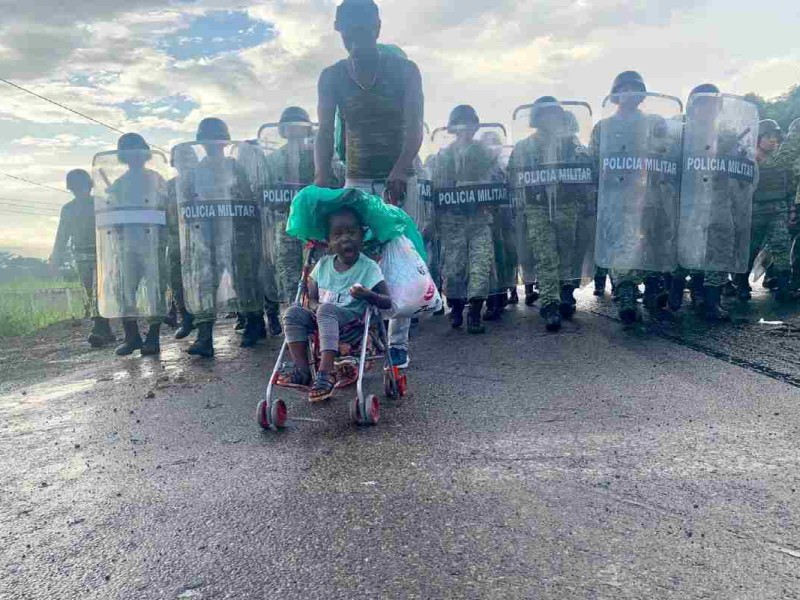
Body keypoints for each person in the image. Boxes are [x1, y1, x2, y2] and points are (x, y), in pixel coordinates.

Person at [314, 0, 423, 368]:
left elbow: (414, 127)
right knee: (354, 256)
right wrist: (321, 182)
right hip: (357, 178)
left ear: (377, 28)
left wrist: (400, 169)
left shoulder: (405, 71)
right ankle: (358, 336)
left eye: (363, 31)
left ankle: (398, 341)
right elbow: (324, 133)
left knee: (397, 258)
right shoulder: (332, 76)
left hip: (400, 176)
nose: (356, 40)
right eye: (349, 33)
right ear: (340, 32)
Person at [592, 71, 682, 325]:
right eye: (624, 88)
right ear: (616, 95)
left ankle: (653, 286)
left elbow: (669, 152)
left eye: (635, 88)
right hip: (617, 198)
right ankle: (627, 294)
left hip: (650, 196)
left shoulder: (655, 122)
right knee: (622, 246)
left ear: (642, 94)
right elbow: (594, 162)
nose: (630, 93)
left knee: (653, 242)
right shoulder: (604, 127)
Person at [281, 206, 392, 402]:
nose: (345, 238)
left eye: (351, 232)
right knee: (292, 313)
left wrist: (368, 294)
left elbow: (387, 301)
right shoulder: (323, 265)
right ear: (329, 241)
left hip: (351, 326)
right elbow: (312, 299)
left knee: (326, 309)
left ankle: (326, 373)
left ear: (362, 236)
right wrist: (315, 307)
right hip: (321, 323)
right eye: (338, 235)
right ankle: (303, 371)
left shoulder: (368, 267)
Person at [176, 118, 264, 357]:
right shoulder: (194, 172)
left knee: (243, 280)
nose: (212, 145)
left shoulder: (235, 167)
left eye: (216, 140)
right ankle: (204, 337)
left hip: (236, 235)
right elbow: (187, 203)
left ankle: (254, 323)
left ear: (225, 142)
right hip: (206, 237)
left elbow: (248, 197)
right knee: (206, 284)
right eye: (207, 140)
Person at [508, 96, 595, 331]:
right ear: (537, 118)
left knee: (566, 254)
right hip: (537, 208)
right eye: (546, 114)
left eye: (554, 114)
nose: (551, 119)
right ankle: (550, 304)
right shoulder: (524, 147)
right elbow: (512, 178)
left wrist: (587, 201)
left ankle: (566, 293)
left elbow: (587, 171)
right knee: (545, 257)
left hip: (567, 206)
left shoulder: (572, 144)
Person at [675, 84, 758, 320]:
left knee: (719, 252)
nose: (707, 109)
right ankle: (690, 291)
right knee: (689, 251)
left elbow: (745, 168)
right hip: (689, 203)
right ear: (692, 107)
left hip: (719, 202)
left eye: (712, 104)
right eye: (702, 104)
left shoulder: (728, 135)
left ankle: (712, 301)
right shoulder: (681, 135)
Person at [431, 105, 503, 334]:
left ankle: (475, 312)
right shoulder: (444, 156)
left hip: (479, 219)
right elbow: (436, 188)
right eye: (460, 124)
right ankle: (456, 307)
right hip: (453, 221)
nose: (465, 129)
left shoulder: (486, 153)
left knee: (481, 266)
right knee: (454, 269)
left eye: (469, 123)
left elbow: (498, 181)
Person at [98, 133, 170, 356]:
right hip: (126, 245)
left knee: (155, 291)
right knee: (124, 291)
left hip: (152, 244)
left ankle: (153, 337)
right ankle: (132, 336)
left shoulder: (155, 179)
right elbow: (110, 214)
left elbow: (165, 208)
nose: (133, 156)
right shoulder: (119, 184)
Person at [260, 107, 317, 335]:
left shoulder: (318, 156)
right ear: (282, 130)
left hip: (312, 225)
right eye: (289, 127)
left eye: (298, 126)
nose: (294, 131)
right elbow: (262, 192)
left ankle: (316, 325)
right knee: (289, 277)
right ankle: (296, 327)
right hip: (284, 225)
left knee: (315, 276)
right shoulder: (272, 161)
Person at [50, 169, 116, 348]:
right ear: (71, 189)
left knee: (99, 291)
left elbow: (113, 228)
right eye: (76, 188)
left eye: (82, 187)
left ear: (89, 186)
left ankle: (98, 328)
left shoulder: (101, 204)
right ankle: (105, 329)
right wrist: (56, 256)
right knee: (90, 292)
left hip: (102, 255)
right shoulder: (68, 209)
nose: (79, 191)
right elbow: (62, 234)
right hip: (81, 257)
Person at [735, 119, 794, 301]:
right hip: (754, 211)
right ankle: (741, 284)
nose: (772, 140)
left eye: (775, 136)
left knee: (781, 248)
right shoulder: (748, 159)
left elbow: (789, 185)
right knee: (749, 250)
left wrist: (790, 208)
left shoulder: (780, 160)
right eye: (767, 136)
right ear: (758, 138)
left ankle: (783, 287)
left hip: (777, 210)